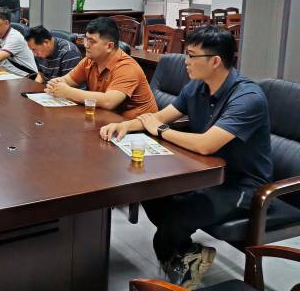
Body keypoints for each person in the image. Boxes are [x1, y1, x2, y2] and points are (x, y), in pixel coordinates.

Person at [100, 25, 272, 289]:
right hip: (203, 172)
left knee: (173, 224)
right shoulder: (197, 87)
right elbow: (159, 117)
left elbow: (205, 145)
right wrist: (125, 125)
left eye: (191, 55)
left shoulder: (247, 97)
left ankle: (181, 261)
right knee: (149, 191)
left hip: (242, 185)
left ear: (215, 61)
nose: (186, 61)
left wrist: (161, 130)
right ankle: (188, 255)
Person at [45, 17, 157, 118]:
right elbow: (68, 80)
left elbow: (109, 102)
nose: (86, 45)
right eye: (86, 39)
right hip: (108, 119)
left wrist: (68, 92)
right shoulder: (90, 60)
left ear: (109, 46)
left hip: (139, 127)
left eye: (92, 41)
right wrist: (56, 84)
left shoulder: (127, 67)